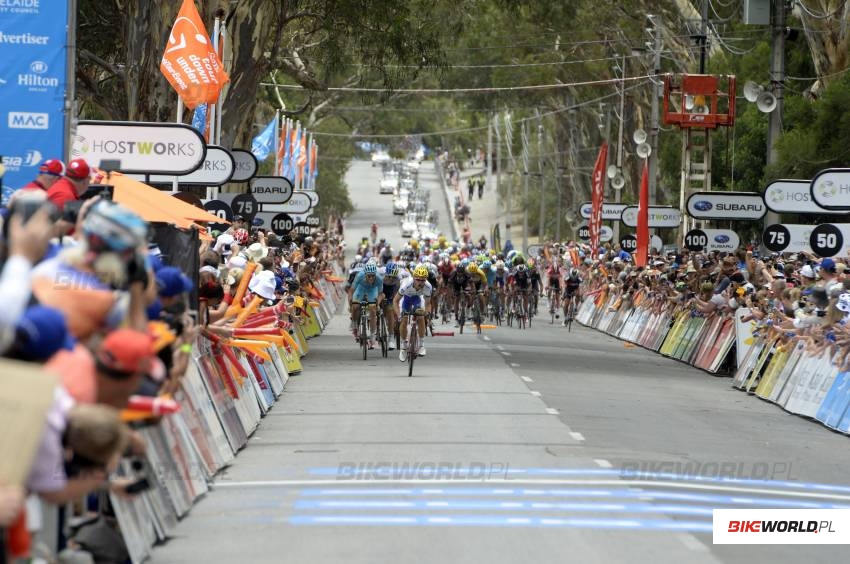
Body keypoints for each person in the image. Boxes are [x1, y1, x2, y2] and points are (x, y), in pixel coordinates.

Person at [395, 265, 433, 360]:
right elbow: (395, 301)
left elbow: (428, 303)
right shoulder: (406, 284)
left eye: (423, 280)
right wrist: (399, 315)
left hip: (417, 299)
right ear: (414, 278)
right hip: (405, 298)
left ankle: (421, 345)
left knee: (420, 317)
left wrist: (427, 315)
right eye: (418, 279)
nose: (420, 282)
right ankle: (403, 346)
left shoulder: (428, 287)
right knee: (403, 320)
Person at [351, 261, 383, 349]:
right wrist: (351, 303)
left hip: (372, 290)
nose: (371, 278)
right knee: (355, 306)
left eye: (373, 275)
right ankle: (354, 326)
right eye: (369, 276)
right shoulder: (359, 276)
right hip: (360, 289)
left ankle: (372, 337)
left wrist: (378, 303)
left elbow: (381, 294)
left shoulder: (379, 278)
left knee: (373, 310)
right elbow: (351, 290)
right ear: (365, 274)